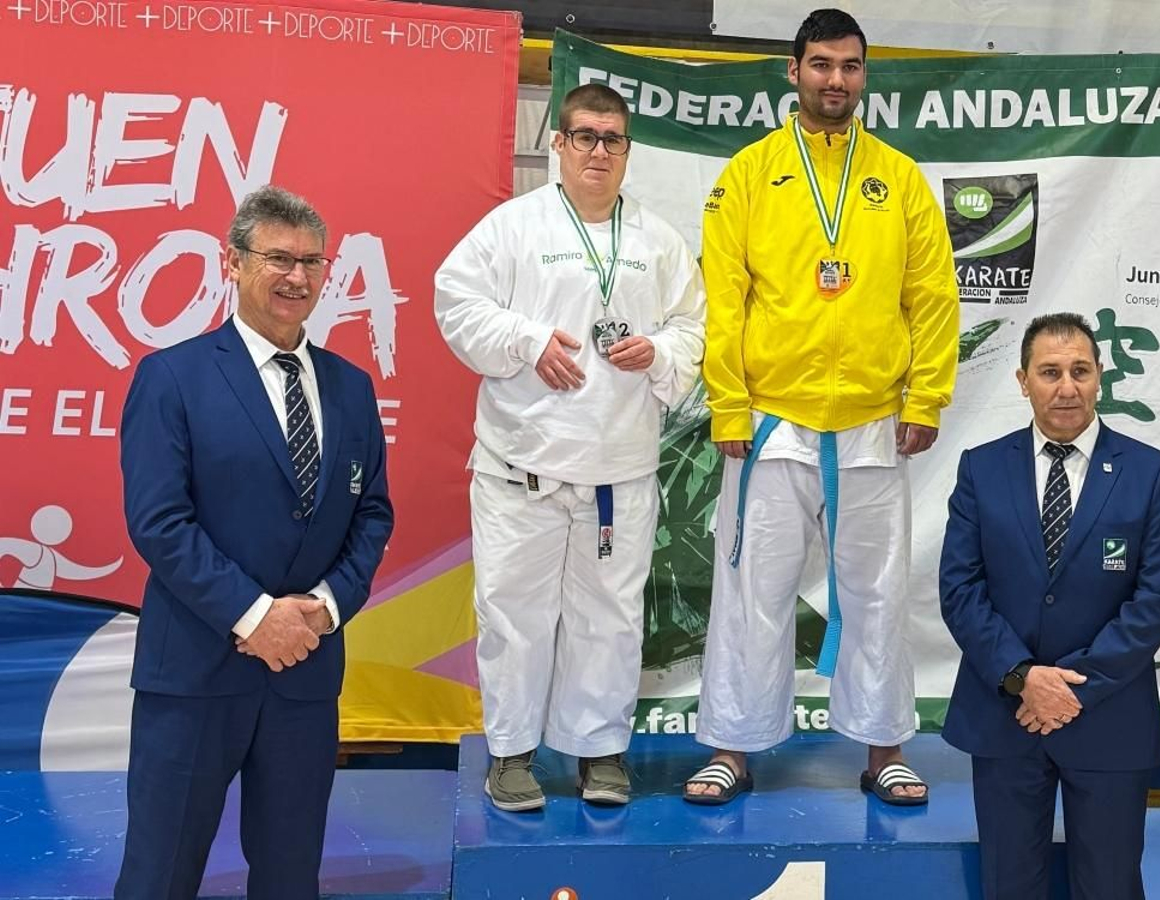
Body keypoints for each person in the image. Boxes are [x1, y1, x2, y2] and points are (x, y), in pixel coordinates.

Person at [684, 7, 958, 806]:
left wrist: (928, 393)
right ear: (794, 71)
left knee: (876, 591)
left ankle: (884, 751)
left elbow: (932, 296)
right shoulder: (749, 173)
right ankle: (732, 748)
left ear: (863, 76)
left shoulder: (898, 178)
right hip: (772, 419)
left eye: (850, 66)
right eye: (821, 65)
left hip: (873, 418)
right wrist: (729, 406)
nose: (835, 80)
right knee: (751, 592)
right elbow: (724, 301)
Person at [116, 185, 394, 898]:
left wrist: (322, 612)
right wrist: (255, 616)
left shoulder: (353, 389)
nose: (296, 277)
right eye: (276, 258)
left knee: (289, 876)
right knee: (160, 874)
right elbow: (160, 522)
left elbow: (373, 518)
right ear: (231, 263)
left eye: (311, 261)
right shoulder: (171, 377)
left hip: (304, 677)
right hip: (195, 675)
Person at [435, 83, 705, 810]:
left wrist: (657, 352)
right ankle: (512, 754)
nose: (598, 151)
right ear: (557, 143)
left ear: (627, 150)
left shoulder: (658, 240)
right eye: (584, 136)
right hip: (522, 464)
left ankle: (599, 752)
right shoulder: (511, 228)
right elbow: (454, 300)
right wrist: (525, 342)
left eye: (612, 139)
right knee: (514, 615)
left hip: (620, 468)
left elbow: (695, 326)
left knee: (610, 620)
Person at [939, 313, 1160, 899]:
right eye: (1050, 372)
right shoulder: (981, 467)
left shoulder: (1151, 474)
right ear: (1023, 380)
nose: (1066, 387)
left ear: (1101, 376)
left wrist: (1072, 687)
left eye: (1080, 370)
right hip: (1005, 715)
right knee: (1010, 885)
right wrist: (1023, 678)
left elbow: (1158, 596)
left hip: (1109, 718)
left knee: (1110, 884)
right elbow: (960, 589)